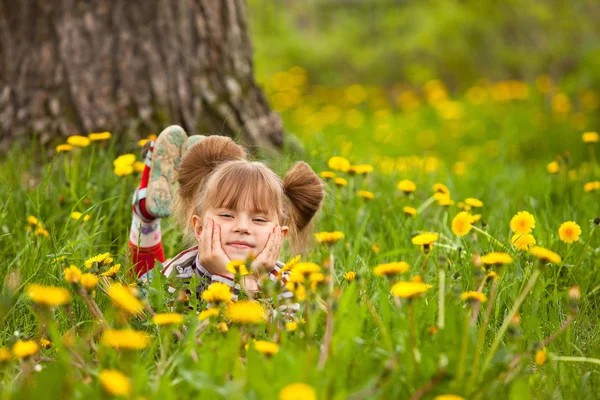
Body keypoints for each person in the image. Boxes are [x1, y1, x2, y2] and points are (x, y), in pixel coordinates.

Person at [128, 125, 325, 303]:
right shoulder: (175, 277)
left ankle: (144, 210)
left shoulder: (289, 284)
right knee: (135, 295)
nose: (242, 227)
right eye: (227, 215)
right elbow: (199, 337)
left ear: (280, 234)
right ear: (199, 227)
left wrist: (247, 280)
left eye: (258, 219)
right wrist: (229, 278)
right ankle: (145, 215)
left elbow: (283, 334)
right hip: (150, 287)